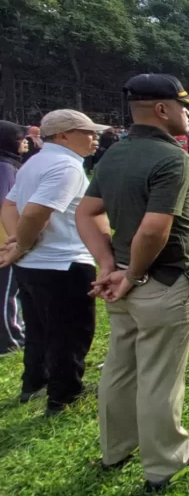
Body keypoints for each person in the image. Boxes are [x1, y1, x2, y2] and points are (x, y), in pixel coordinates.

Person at [76, 74, 189, 491]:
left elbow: (86, 214)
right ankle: (165, 461)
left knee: (122, 367)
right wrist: (132, 273)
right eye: (182, 105)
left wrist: (108, 267)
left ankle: (116, 448)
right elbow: (155, 230)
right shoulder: (173, 158)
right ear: (161, 109)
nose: (188, 113)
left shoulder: (115, 153)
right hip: (161, 280)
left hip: (122, 280)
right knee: (160, 374)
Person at [0, 110, 104, 416]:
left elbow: (8, 204)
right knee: (70, 332)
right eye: (87, 132)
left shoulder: (35, 162)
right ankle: (64, 395)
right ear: (63, 135)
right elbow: (36, 214)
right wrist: (22, 242)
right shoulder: (66, 166)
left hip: (33, 264)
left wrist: (16, 241)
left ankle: (34, 383)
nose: (94, 138)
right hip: (63, 262)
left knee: (39, 329)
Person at [0, 122, 28, 355]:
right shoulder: (5, 168)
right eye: (21, 138)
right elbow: (5, 203)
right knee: (6, 293)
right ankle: (10, 339)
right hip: (3, 241)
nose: (26, 142)